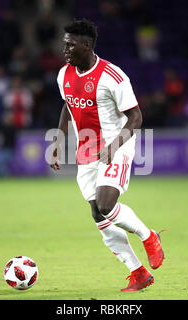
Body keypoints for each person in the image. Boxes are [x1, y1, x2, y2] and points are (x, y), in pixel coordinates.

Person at [51, 19, 164, 292]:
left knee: (105, 204)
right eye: (64, 43)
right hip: (86, 151)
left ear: (87, 45)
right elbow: (68, 105)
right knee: (98, 215)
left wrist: (113, 148)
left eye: (70, 44)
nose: (64, 49)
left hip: (117, 145)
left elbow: (136, 116)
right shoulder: (63, 74)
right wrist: (58, 140)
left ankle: (148, 236)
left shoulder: (112, 76)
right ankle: (137, 272)